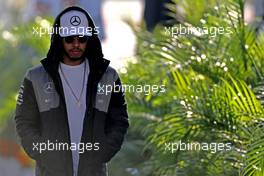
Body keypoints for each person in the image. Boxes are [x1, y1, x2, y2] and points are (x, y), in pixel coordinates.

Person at [14, 6, 129, 176]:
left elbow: (120, 120)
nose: (76, 44)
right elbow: (24, 122)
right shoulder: (35, 77)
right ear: (59, 39)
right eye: (69, 39)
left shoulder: (108, 76)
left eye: (82, 38)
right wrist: (45, 154)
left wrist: (103, 152)